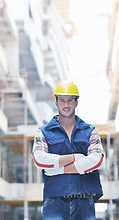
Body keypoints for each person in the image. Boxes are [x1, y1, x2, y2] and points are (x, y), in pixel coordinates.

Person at [32, 80, 104, 220]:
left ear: (76, 102)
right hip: (55, 201)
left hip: (84, 201)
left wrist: (59, 169)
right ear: (56, 102)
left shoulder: (90, 131)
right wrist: (76, 158)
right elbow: (39, 160)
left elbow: (97, 160)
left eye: (70, 100)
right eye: (62, 100)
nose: (66, 105)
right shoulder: (43, 132)